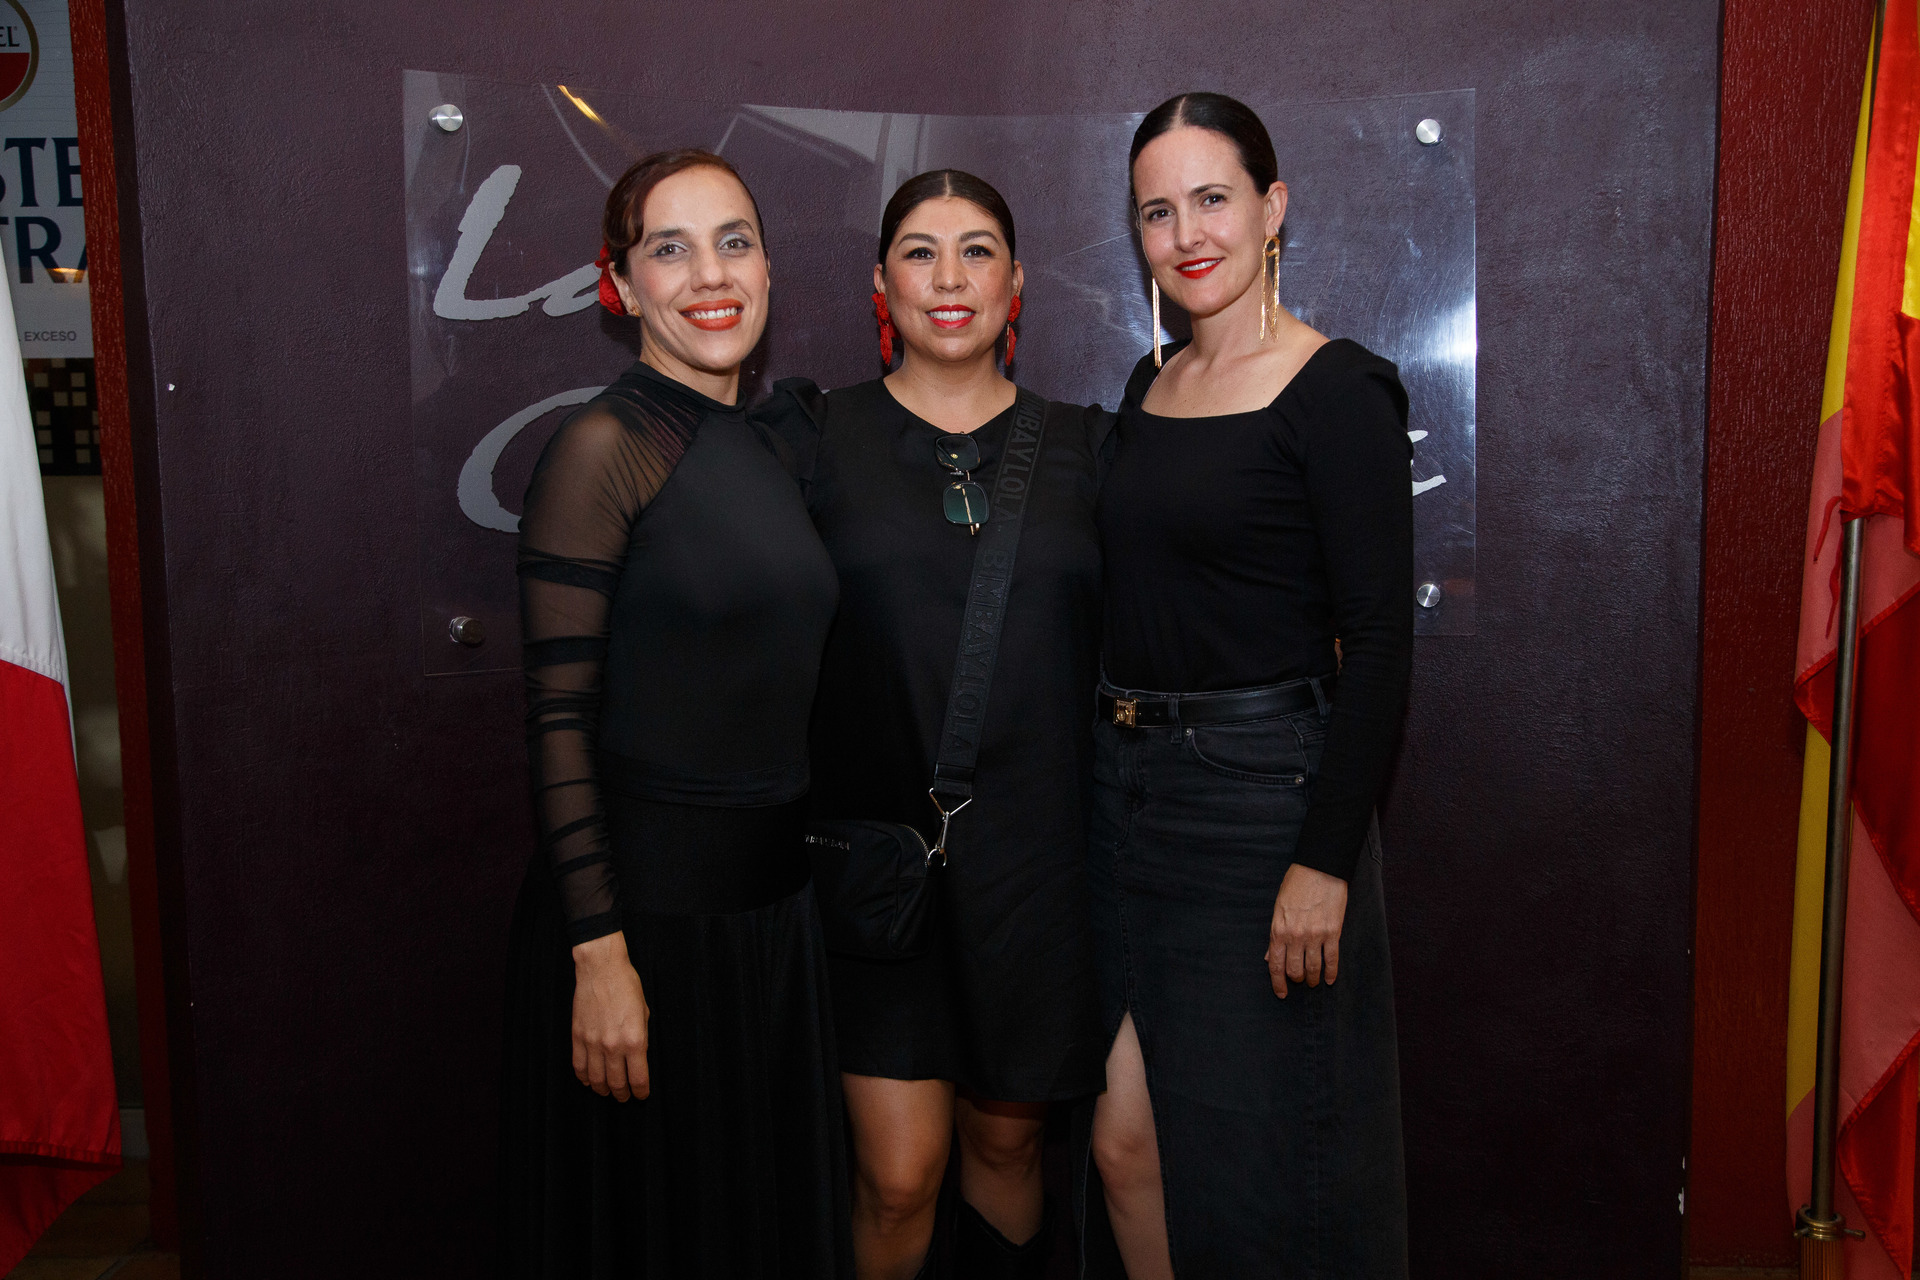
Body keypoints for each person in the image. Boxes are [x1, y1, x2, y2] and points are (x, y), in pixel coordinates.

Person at [498, 148, 852, 1279]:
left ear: (768, 268)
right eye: (671, 248)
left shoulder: (775, 442)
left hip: (772, 922)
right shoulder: (601, 449)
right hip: (645, 933)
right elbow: (558, 721)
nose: (711, 274)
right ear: (620, 284)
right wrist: (599, 957)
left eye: (734, 242)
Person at [754, 170, 1109, 1280]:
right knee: (901, 1174)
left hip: (1039, 874)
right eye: (919, 251)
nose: (948, 279)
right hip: (881, 874)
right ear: (880, 282)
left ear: (1018, 283)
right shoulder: (812, 438)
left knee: (1008, 1146)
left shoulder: (1092, 447)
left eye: (976, 252)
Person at [1085, 93, 1414, 1278]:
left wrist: (1324, 861)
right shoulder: (1147, 385)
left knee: (1265, 1167)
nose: (1187, 235)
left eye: (1213, 199)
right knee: (1125, 1140)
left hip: (1260, 804)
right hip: (1122, 798)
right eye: (1157, 212)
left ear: (1273, 208)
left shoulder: (1339, 389)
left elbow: (1379, 643)